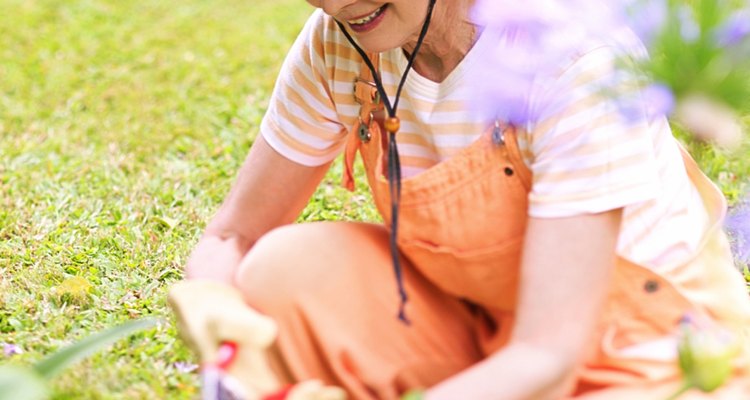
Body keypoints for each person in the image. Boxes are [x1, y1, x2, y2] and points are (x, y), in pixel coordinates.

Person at [167, 0, 750, 399]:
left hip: (652, 353)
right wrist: (213, 297)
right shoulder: (342, 44)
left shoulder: (573, 60)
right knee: (279, 270)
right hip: (485, 325)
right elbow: (234, 237)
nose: (332, 3)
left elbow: (549, 357)